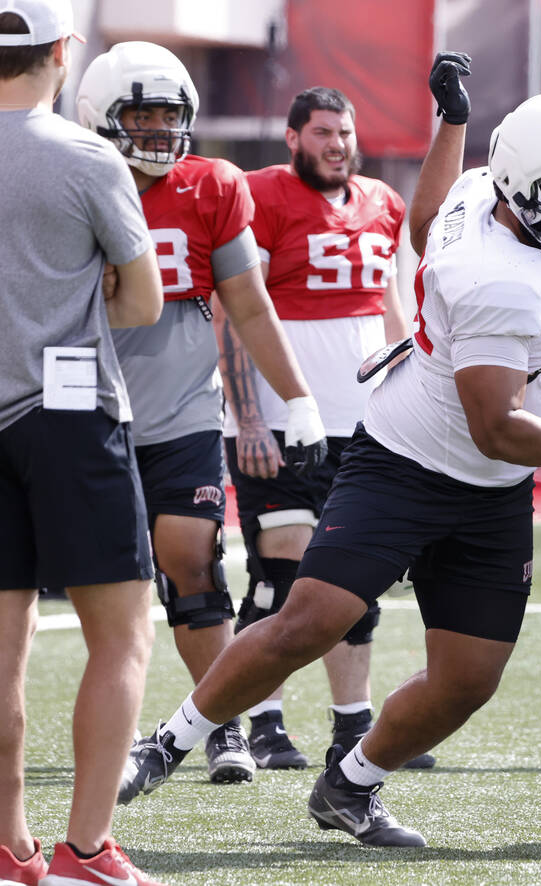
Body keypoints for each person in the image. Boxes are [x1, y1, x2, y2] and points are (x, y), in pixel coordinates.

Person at [117, 57, 541, 849]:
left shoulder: (482, 194)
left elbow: (426, 230)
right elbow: (501, 428)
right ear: (523, 182)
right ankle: (170, 741)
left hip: (491, 489)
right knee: (308, 620)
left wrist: (450, 124)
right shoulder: (504, 283)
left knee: (468, 681)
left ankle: (350, 785)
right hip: (408, 465)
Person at [75, 41, 327, 788]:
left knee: (192, 562)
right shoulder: (71, 179)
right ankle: (115, 718)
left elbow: (248, 303)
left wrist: (298, 397)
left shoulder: (210, 184)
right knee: (105, 581)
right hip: (90, 409)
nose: (159, 130)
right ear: (100, 117)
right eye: (142, 115)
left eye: (170, 115)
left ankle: (219, 726)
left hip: (183, 409)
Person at [0, 2, 166, 884]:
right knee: (122, 637)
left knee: (2, 650)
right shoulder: (88, 157)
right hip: (69, 418)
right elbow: (142, 303)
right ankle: (86, 852)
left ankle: (10, 847)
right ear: (63, 51)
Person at [212, 85, 424, 771]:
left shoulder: (382, 201)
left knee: (354, 576)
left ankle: (352, 723)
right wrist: (248, 415)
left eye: (345, 132)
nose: (338, 145)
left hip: (365, 423)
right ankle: (264, 721)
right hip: (280, 418)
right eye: (324, 133)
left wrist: (409, 393)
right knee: (281, 571)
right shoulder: (262, 195)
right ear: (293, 138)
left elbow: (389, 303)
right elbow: (236, 308)